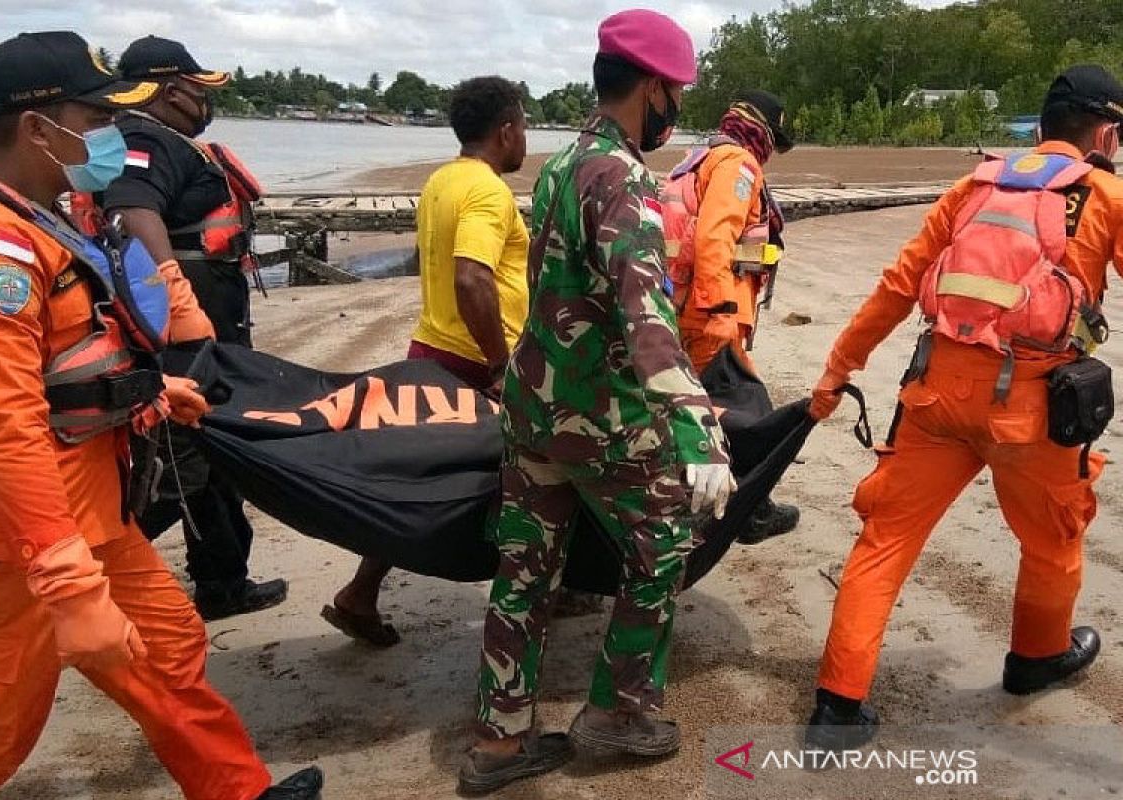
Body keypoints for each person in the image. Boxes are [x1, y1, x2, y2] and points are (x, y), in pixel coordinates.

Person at [0, 32, 321, 799]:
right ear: (39, 128)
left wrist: (148, 393)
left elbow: (66, 365)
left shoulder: (42, 219)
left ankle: (239, 792)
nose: (111, 132)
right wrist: (68, 586)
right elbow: (5, 424)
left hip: (91, 512)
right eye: (96, 116)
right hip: (16, 545)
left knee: (168, 650)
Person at [804, 64, 1123, 752]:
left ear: (1038, 129)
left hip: (936, 396)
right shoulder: (1105, 194)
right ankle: (1034, 659)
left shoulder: (972, 187)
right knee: (1052, 540)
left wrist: (837, 370)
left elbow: (897, 286)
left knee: (883, 543)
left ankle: (837, 705)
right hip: (1035, 414)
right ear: (1107, 133)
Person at [459, 10, 735, 794]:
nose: (676, 108)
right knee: (663, 548)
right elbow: (644, 309)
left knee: (523, 576)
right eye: (675, 93)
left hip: (533, 409)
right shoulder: (625, 180)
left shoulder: (560, 161)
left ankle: (499, 743)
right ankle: (618, 711)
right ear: (651, 89)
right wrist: (697, 427)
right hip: (600, 421)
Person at [325, 76, 529, 647]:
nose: (525, 139)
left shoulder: (441, 180)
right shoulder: (488, 192)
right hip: (473, 360)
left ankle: (360, 593)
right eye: (523, 127)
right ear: (506, 130)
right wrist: (499, 364)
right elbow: (471, 276)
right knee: (524, 476)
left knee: (423, 477)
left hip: (431, 347)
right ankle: (540, 593)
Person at [101, 35, 287, 622]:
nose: (207, 102)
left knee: (216, 453)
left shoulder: (175, 143)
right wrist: (175, 302)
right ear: (172, 91)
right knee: (180, 465)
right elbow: (131, 209)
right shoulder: (142, 141)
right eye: (200, 90)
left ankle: (224, 582)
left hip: (211, 337)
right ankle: (94, 569)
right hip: (182, 343)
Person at [669, 90, 799, 545]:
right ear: (763, 130)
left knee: (691, 411)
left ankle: (689, 497)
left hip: (682, 308)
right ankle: (752, 513)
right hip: (710, 317)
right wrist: (721, 310)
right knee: (752, 415)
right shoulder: (739, 166)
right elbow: (714, 238)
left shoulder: (699, 157)